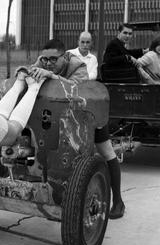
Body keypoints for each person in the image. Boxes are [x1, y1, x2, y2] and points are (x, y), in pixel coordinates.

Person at [30, 39, 125, 219]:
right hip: (57, 111)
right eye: (45, 59)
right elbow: (31, 72)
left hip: (88, 111)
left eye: (53, 59)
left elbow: (76, 90)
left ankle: (118, 201)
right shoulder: (43, 62)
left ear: (64, 57)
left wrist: (51, 76)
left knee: (106, 152)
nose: (48, 63)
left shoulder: (78, 65)